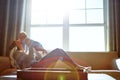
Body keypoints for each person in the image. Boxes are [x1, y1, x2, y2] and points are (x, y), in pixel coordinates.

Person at [9, 32, 86, 70]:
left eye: (25, 37)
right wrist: (22, 47)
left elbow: (32, 57)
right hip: (32, 68)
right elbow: (24, 62)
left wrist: (38, 50)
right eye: (21, 37)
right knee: (58, 51)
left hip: (37, 65)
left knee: (59, 51)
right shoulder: (15, 51)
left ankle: (75, 67)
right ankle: (76, 67)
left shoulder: (26, 48)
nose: (23, 39)